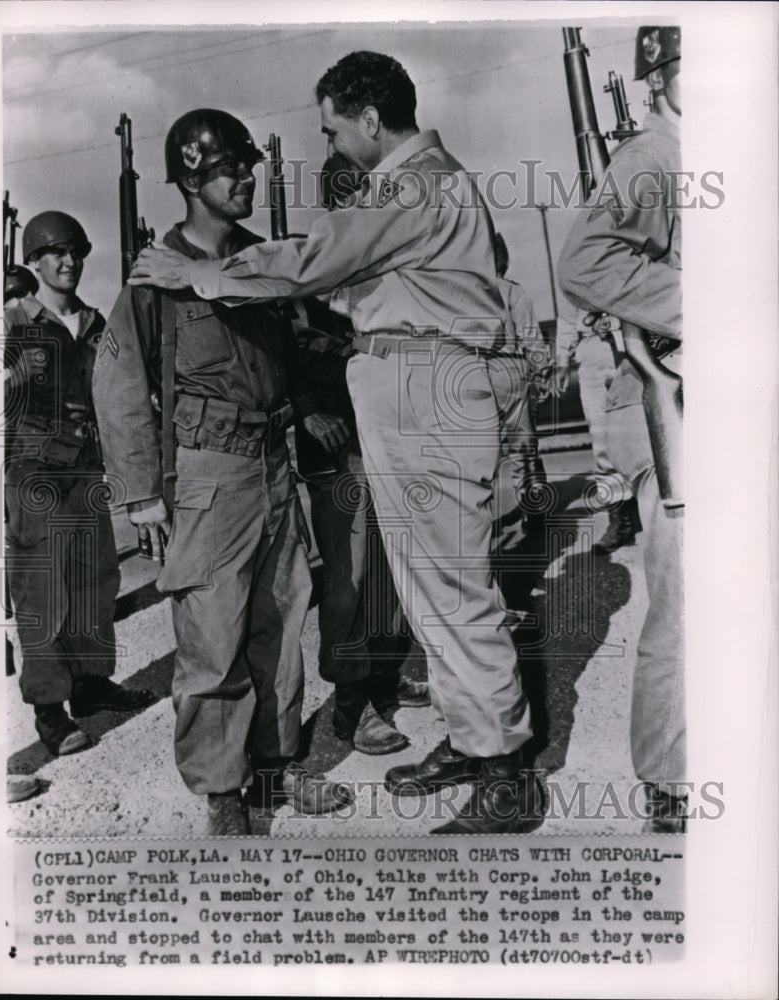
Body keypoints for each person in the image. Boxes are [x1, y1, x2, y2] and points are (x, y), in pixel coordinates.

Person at [130, 53, 542, 834]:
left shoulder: (408, 184)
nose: (330, 142)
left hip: (427, 387)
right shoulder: (430, 183)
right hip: (415, 382)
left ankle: (506, 773)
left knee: (453, 588)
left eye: (331, 127)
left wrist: (207, 271)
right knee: (427, 587)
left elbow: (315, 260)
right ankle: (473, 736)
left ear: (368, 118)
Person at [92, 109, 350, 835]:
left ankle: (274, 767)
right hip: (206, 474)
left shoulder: (261, 260)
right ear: (191, 179)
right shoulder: (154, 279)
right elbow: (117, 382)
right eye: (231, 168)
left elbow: (292, 357)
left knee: (281, 620)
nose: (248, 178)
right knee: (212, 637)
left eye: (249, 165)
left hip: (273, 465)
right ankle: (222, 792)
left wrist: (308, 405)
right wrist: (142, 496)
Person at [558, 27, 684, 832]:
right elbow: (586, 265)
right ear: (658, 79)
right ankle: (674, 788)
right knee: (688, 608)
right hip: (673, 405)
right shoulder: (653, 159)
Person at [4, 211, 155, 759]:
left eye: (77, 251)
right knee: (43, 592)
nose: (69, 262)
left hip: (86, 472)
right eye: (57, 253)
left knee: (95, 580)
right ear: (36, 261)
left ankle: (91, 686)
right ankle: (49, 711)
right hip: (34, 476)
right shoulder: (13, 321)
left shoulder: (95, 323)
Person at [293, 153, 429, 756]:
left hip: (389, 433)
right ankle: (351, 705)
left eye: (365, 190)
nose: (357, 201)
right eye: (345, 192)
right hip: (338, 440)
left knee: (391, 566)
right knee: (346, 577)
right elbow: (283, 348)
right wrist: (303, 409)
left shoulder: (390, 259)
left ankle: (381, 674)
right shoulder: (312, 262)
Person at [555, 304, 641, 551]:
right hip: (592, 353)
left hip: (630, 346)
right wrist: (562, 361)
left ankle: (649, 512)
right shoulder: (574, 266)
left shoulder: (626, 262)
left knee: (641, 436)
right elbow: (567, 318)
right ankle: (620, 520)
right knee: (603, 441)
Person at [491, 232, 551, 538]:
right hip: (512, 371)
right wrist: (542, 372)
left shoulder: (463, 293)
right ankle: (533, 506)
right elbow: (532, 338)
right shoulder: (513, 291)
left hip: (475, 373)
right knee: (524, 451)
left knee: (481, 455)